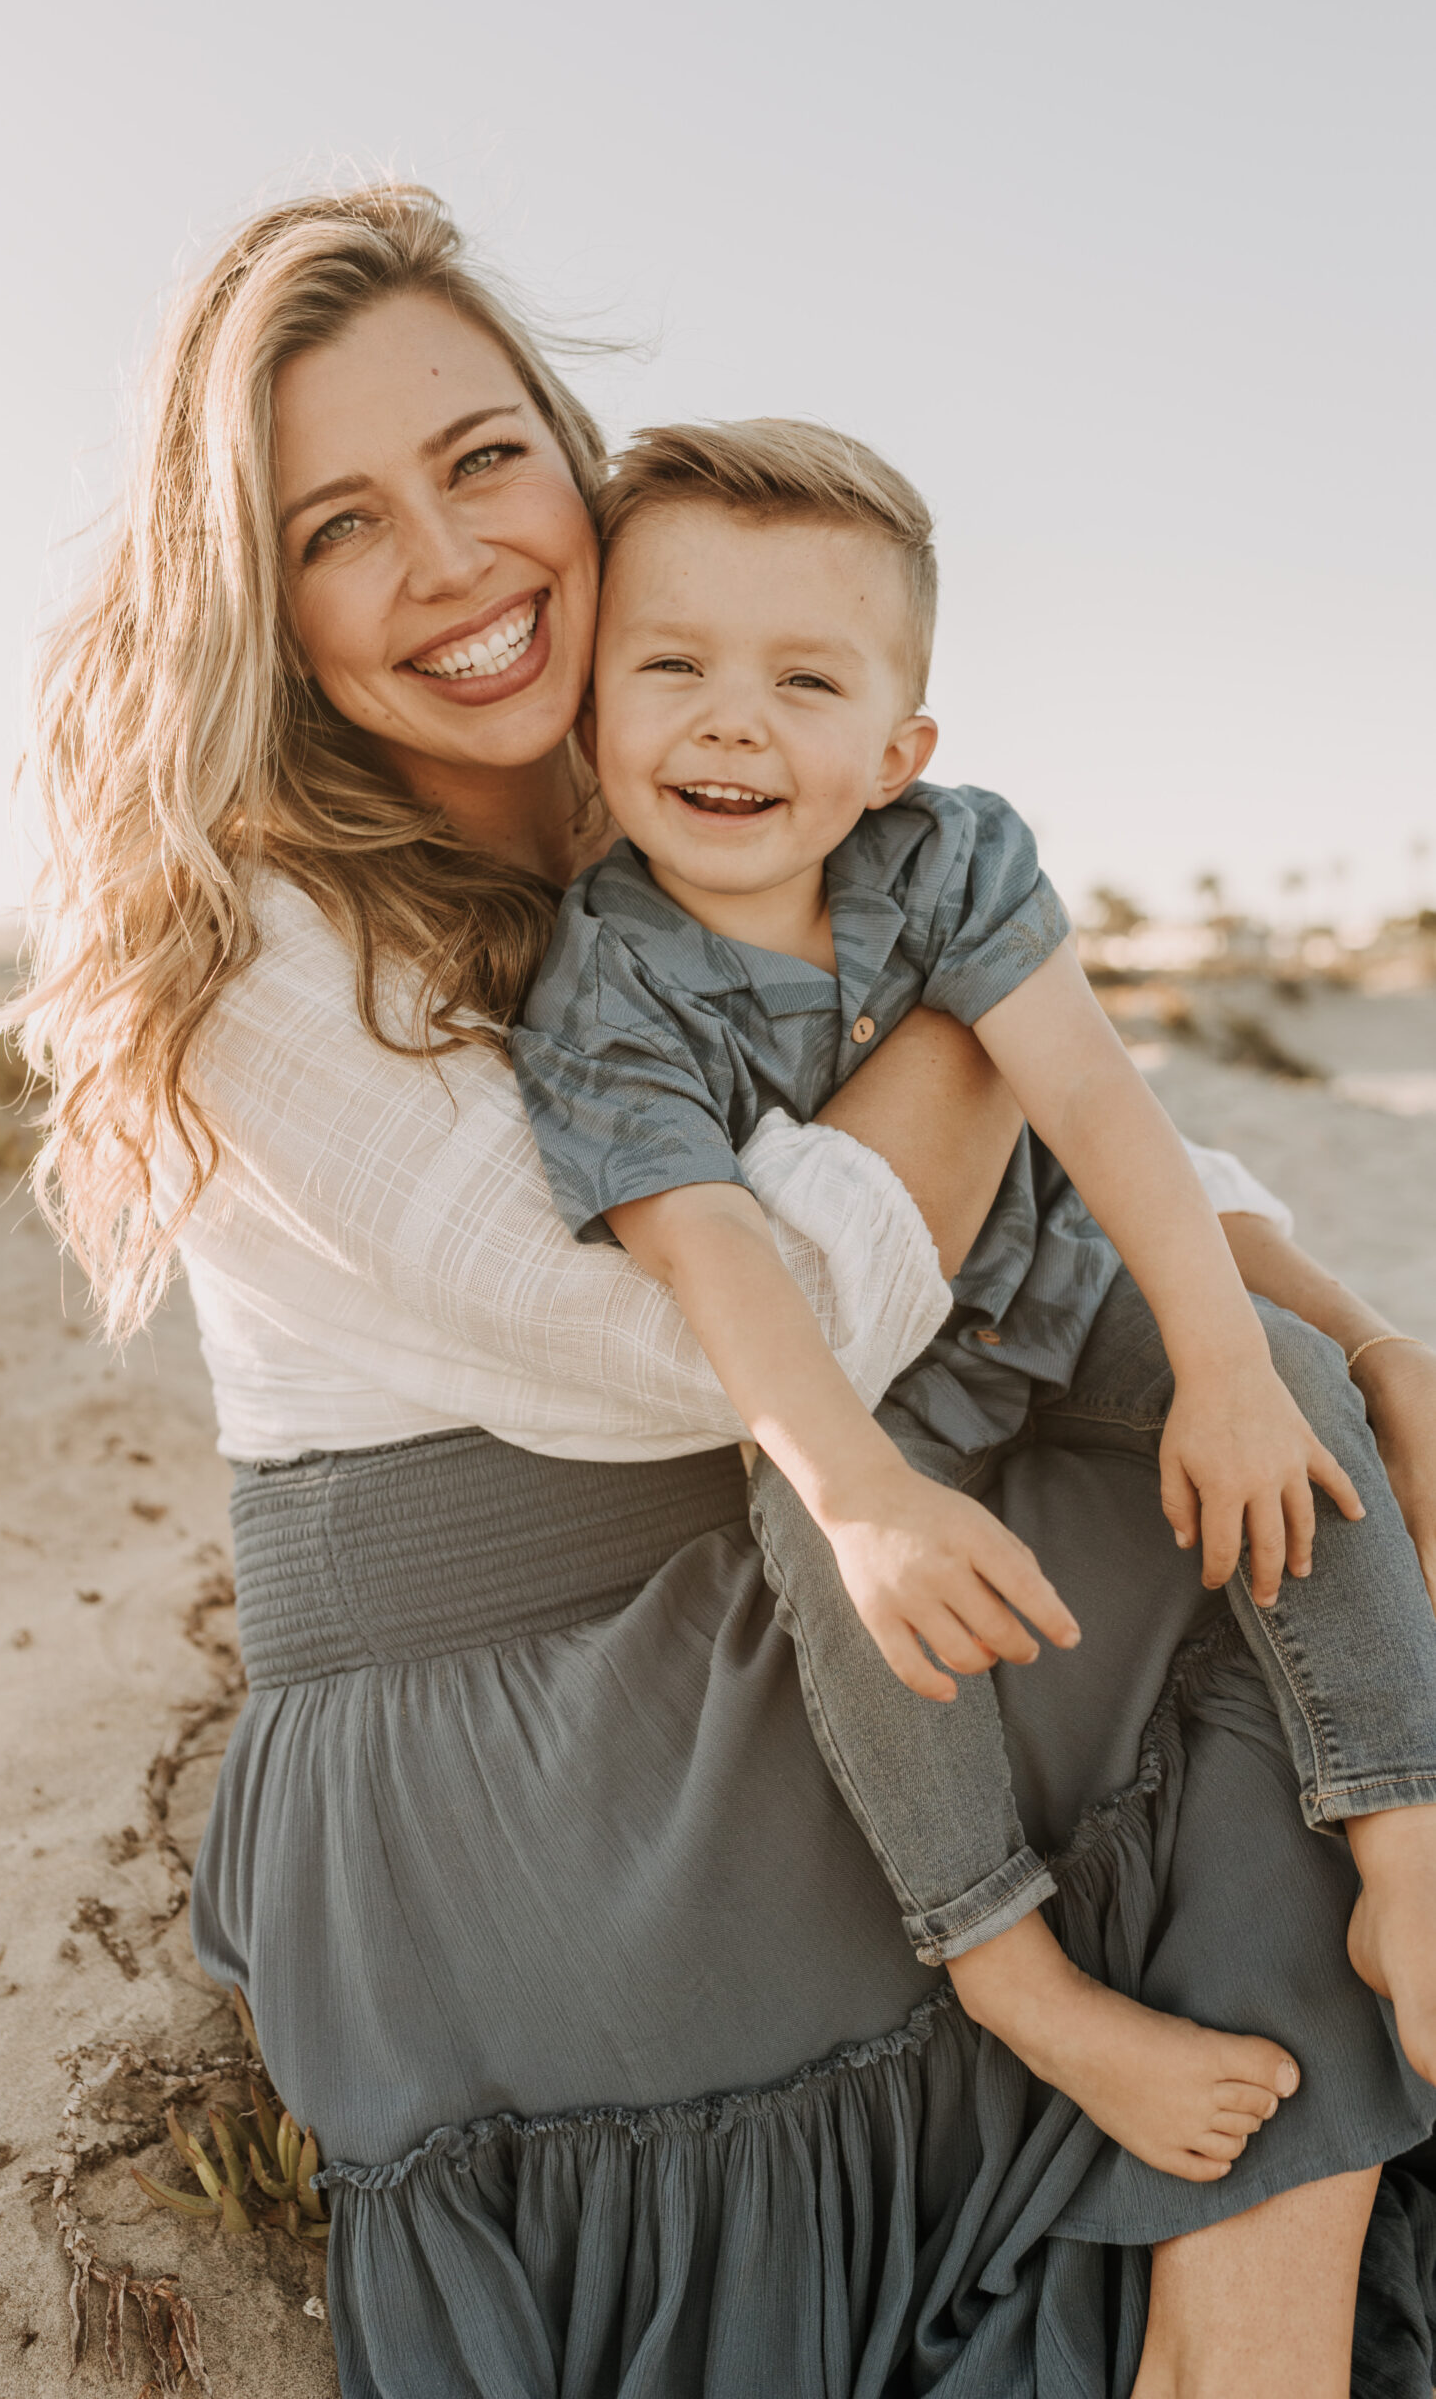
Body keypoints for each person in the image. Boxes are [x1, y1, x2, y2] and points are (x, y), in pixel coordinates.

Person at [15, 184, 1436, 2397]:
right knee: (1223, 1586)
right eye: (338, 527)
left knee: (1292, 1508)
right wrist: (975, 1007)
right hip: (516, 1738)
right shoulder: (251, 943)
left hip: (754, 1577)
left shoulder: (654, 771)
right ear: (258, 602)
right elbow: (685, 1341)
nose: (456, 561)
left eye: (485, 460)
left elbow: (1078, 1158)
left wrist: (1345, 1335)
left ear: (574, 461)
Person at [511, 413, 1436, 2185]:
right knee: (822, 1535)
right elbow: (713, 1258)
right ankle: (1018, 1979)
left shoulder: (945, 857)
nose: (730, 719)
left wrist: (1229, 1362)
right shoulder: (601, 985)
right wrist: (864, 1498)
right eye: (675, 664)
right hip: (878, 1382)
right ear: (592, 707)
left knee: (1291, 1374)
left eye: (803, 680)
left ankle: (1404, 1844)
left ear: (895, 745)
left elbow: (1096, 1103)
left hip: (1053, 1284)